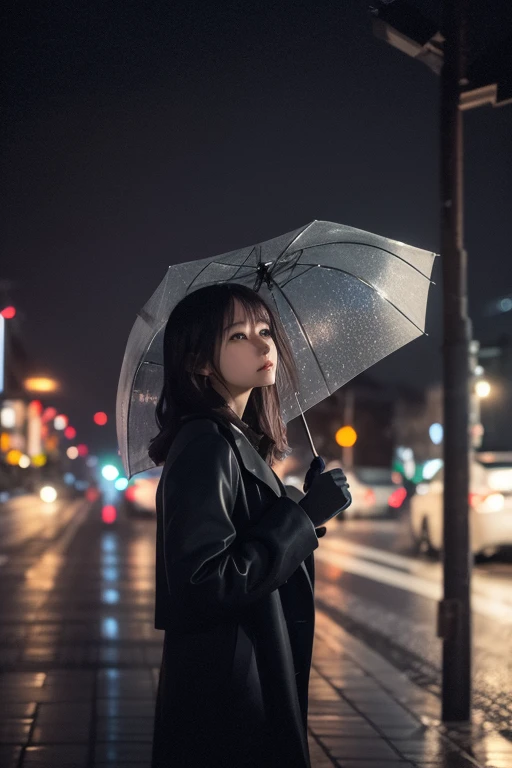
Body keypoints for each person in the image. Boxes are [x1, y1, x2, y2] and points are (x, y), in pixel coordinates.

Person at [149, 282, 351, 767]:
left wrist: (298, 505)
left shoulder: (233, 439)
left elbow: (246, 543)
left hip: (240, 668)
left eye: (265, 330)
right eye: (238, 336)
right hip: (228, 683)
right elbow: (203, 581)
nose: (264, 345)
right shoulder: (207, 443)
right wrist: (303, 517)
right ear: (198, 361)